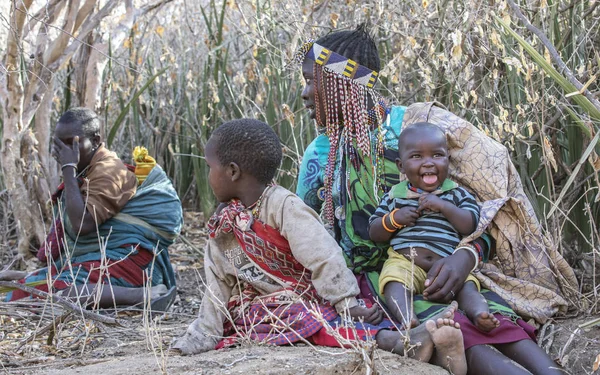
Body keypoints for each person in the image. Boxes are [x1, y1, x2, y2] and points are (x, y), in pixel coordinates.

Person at [295, 25, 576, 374]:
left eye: (311, 81)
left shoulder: (421, 129)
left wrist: (466, 257)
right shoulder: (318, 155)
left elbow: (493, 212)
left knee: (493, 323)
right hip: (384, 284)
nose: (305, 94)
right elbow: (307, 238)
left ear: (344, 83)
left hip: (449, 267)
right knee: (464, 342)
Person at [173, 119, 469, 375]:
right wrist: (203, 335)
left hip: (313, 297)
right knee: (255, 318)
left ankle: (398, 342)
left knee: (314, 318)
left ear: (233, 171)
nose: (208, 175)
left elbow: (322, 255)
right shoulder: (223, 226)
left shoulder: (283, 206)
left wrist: (346, 302)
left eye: (209, 167)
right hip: (267, 307)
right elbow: (218, 283)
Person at [5, 108, 182, 311]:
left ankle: (142, 295)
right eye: (59, 144)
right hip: (106, 260)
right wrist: (24, 277)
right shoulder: (87, 169)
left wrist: (68, 169)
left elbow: (83, 226)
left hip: (132, 263)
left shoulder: (109, 171)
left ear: (96, 140)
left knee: (53, 294)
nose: (65, 151)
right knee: (20, 288)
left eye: (72, 143)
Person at [369, 123, 499, 332]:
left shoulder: (457, 193)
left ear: (448, 160)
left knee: (468, 286)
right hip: (405, 261)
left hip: (448, 266)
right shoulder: (395, 195)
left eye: (437, 155)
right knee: (393, 280)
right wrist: (395, 219)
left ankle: (480, 314)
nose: (428, 163)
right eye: (417, 157)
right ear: (401, 166)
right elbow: (374, 232)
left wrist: (444, 207)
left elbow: (470, 225)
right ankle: (407, 317)